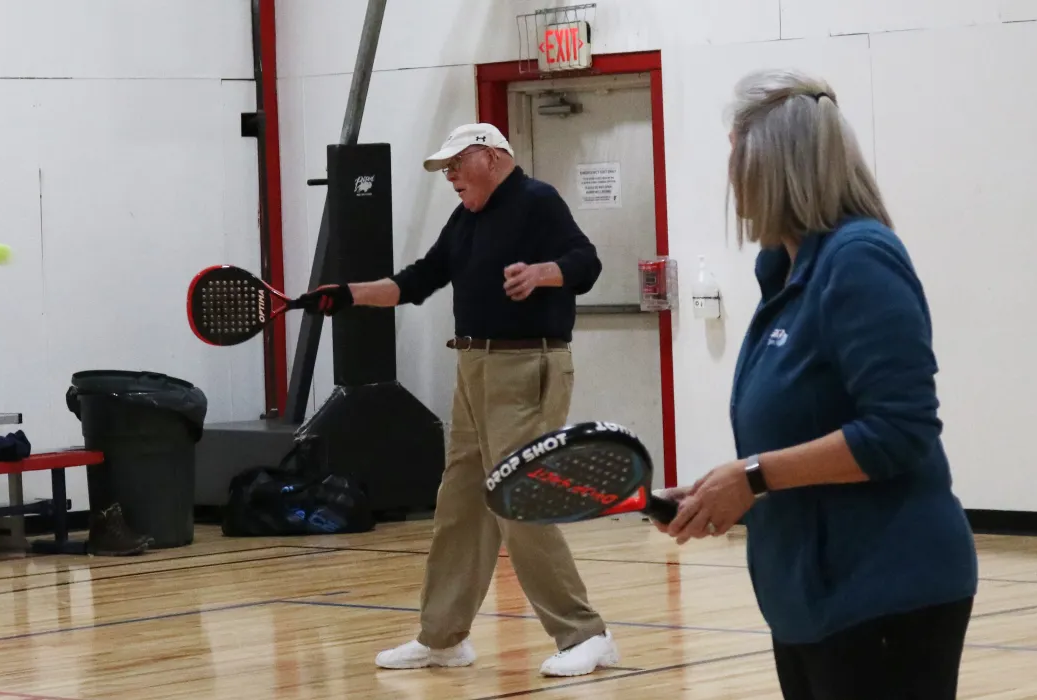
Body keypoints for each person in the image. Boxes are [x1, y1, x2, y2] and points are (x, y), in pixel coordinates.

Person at [655, 68, 979, 699]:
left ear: (773, 166)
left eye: (736, 159)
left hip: (887, 590)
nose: (730, 181)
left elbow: (899, 430)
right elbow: (796, 424)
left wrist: (752, 476)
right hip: (810, 594)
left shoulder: (859, 260)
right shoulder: (785, 272)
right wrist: (718, 488)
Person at [298, 123, 619, 677]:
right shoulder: (467, 218)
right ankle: (442, 638)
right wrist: (349, 294)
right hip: (473, 367)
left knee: (519, 499)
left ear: (492, 158)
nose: (448, 176)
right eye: (443, 168)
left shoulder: (537, 201)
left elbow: (585, 263)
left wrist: (544, 273)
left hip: (527, 367)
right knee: (461, 502)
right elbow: (419, 280)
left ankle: (585, 635)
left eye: (455, 164)